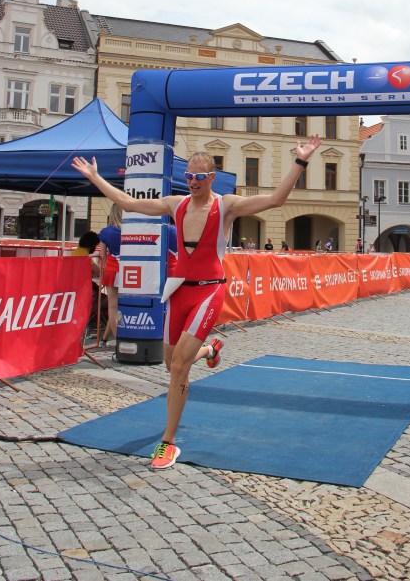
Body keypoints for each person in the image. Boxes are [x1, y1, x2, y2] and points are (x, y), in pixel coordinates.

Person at [72, 134, 321, 470]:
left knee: (177, 369)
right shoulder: (176, 204)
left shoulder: (226, 205)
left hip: (209, 290)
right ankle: (209, 351)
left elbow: (276, 200)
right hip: (179, 292)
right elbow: (129, 204)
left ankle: (168, 442)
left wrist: (301, 160)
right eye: (189, 176)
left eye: (199, 177)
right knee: (172, 363)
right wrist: (95, 177)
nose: (193, 182)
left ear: (211, 178)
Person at [98, 204, 122, 347]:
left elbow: (102, 257)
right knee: (121, 306)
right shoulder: (131, 230)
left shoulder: (105, 232)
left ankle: (119, 340)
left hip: (112, 270)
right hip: (130, 271)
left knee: (112, 307)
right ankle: (105, 338)